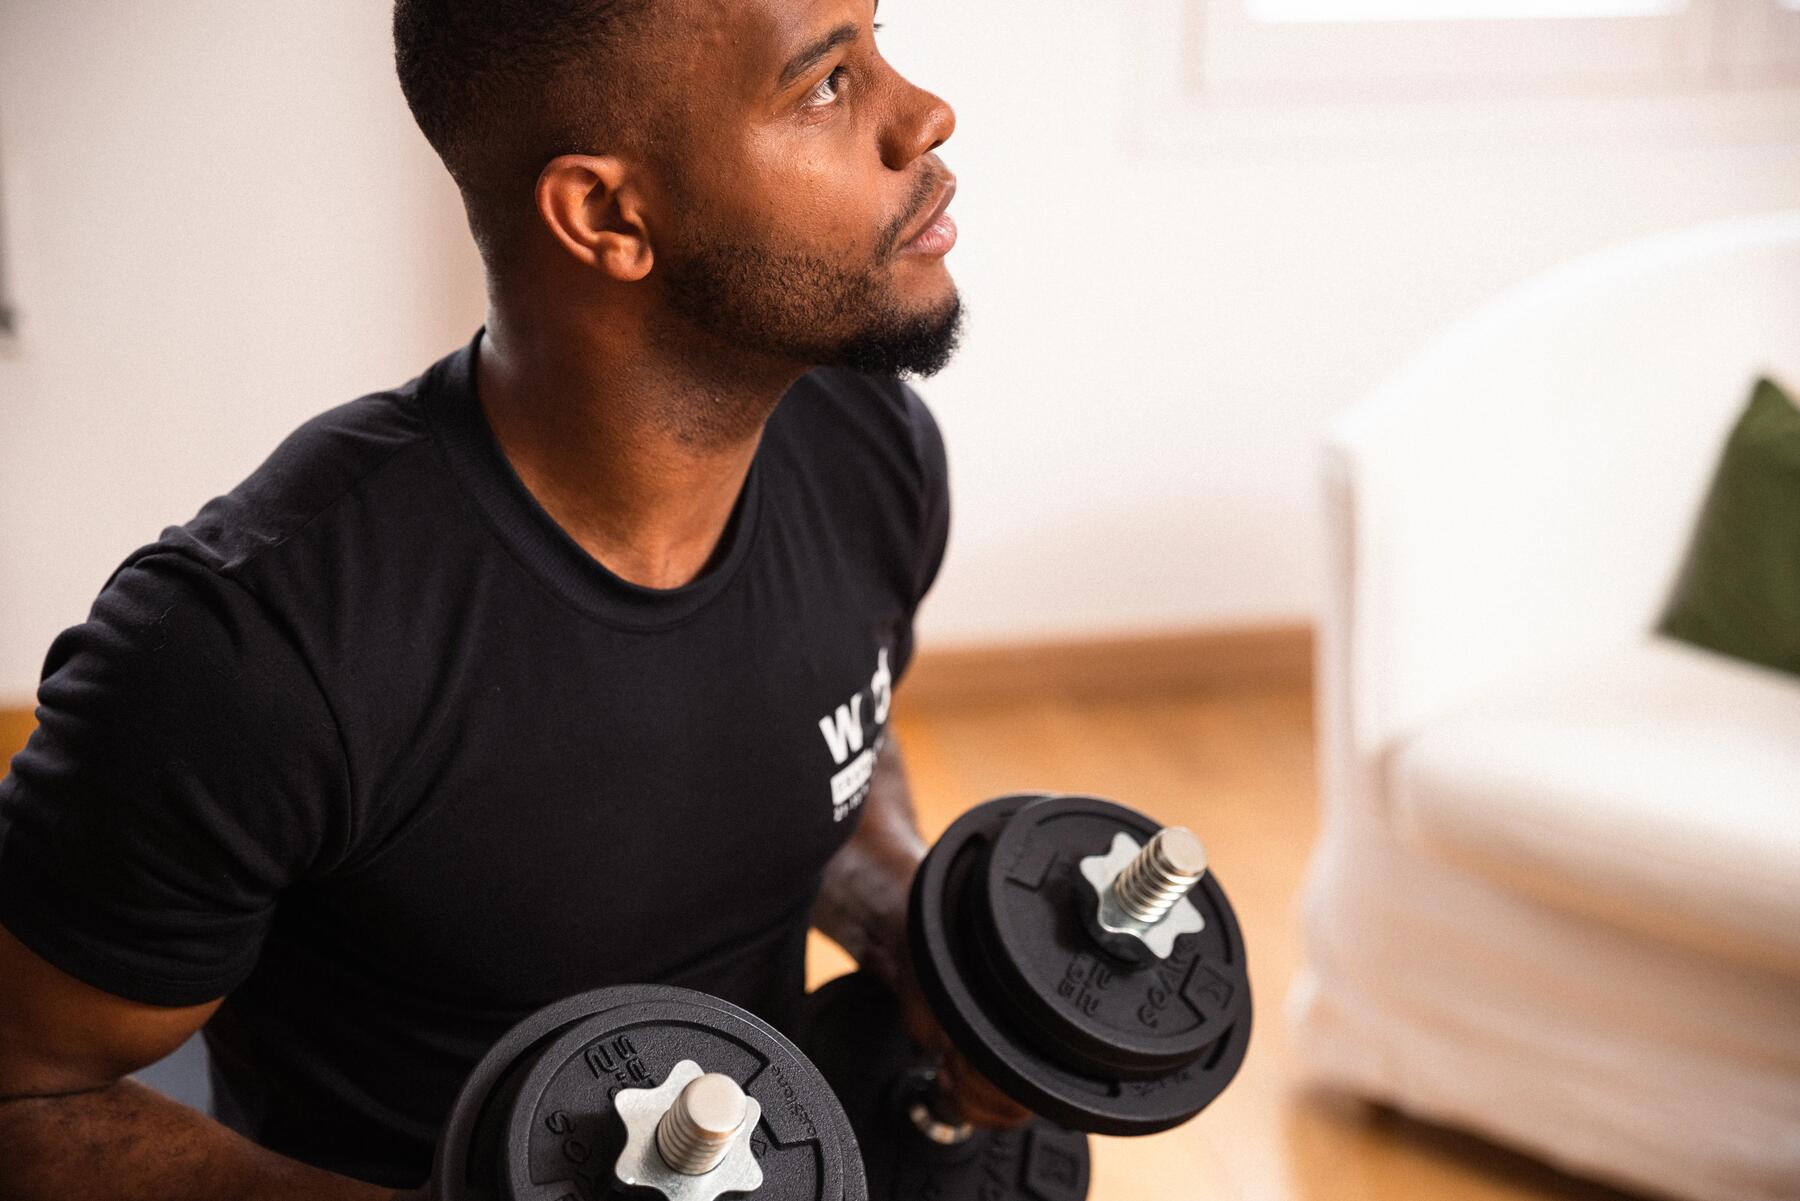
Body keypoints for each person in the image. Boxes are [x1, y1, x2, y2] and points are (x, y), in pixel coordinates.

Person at [0, 1, 1031, 1195]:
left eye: (879, 41)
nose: (924, 114)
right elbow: (26, 1091)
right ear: (607, 215)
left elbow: (836, 745)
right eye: (824, 83)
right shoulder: (247, 653)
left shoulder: (867, 447)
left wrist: (911, 923)